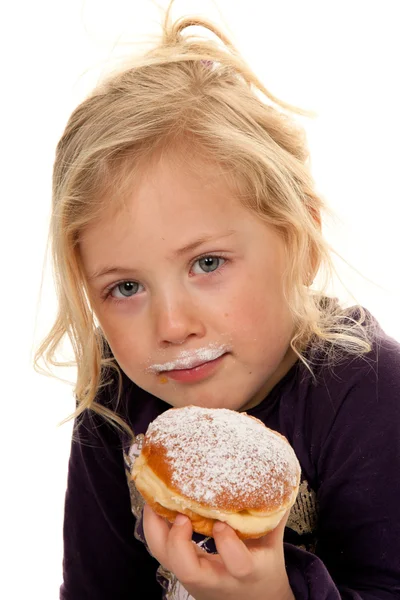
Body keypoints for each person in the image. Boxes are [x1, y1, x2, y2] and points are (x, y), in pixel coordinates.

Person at [35, 2, 400, 598]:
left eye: (207, 264)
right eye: (126, 287)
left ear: (301, 241)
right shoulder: (114, 406)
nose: (173, 325)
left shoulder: (372, 395)